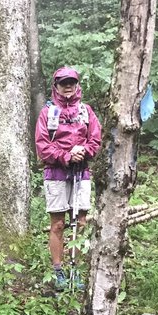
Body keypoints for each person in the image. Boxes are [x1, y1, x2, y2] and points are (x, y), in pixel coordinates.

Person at [35, 67, 102, 291]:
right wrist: (66, 155)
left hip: (81, 172)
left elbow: (95, 139)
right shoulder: (48, 112)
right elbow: (42, 145)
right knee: (58, 223)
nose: (68, 86)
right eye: (63, 82)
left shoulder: (86, 111)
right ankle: (58, 270)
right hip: (56, 173)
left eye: (71, 82)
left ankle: (77, 269)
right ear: (56, 85)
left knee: (81, 222)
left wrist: (84, 152)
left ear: (77, 84)